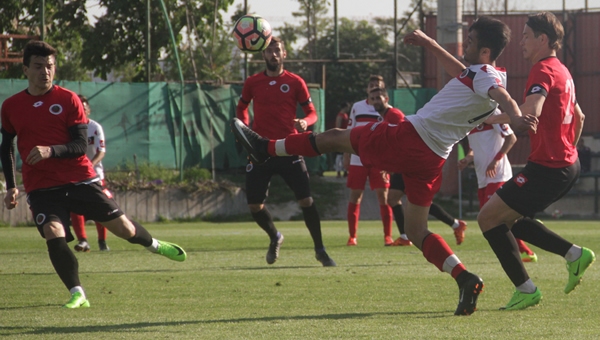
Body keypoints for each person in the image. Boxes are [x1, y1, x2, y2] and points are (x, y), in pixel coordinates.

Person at [232, 16, 531, 315]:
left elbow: (502, 97)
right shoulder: (485, 73)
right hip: (433, 158)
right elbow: (468, 76)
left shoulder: (487, 78)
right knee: (416, 231)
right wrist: (429, 43)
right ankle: (465, 278)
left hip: (410, 138)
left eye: (470, 41)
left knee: (335, 137)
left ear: (485, 52)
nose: (465, 43)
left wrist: (516, 118)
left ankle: (265, 148)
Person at [0, 40, 187, 309]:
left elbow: (79, 146)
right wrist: (11, 186)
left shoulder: (68, 99)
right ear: (25, 69)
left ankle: (155, 245)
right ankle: (78, 292)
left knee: (125, 230)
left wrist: (50, 151)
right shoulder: (11, 106)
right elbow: (6, 146)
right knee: (54, 232)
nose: (45, 72)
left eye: (50, 66)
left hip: (80, 179)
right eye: (38, 66)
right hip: (41, 186)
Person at [477, 12, 594, 311]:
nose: (522, 43)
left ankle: (527, 289)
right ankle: (573, 255)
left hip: (548, 168)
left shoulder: (542, 70)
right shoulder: (562, 70)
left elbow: (532, 111)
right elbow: (579, 116)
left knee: (488, 218)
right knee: (507, 219)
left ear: (543, 39)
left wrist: (514, 121)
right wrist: (568, 145)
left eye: (526, 36)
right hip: (568, 164)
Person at [235, 37, 335, 267]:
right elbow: (242, 107)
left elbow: (312, 113)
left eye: (277, 50)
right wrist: (245, 130)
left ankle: (320, 250)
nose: (273, 54)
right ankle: (275, 237)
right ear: (263, 55)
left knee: (307, 200)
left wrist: (305, 122)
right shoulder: (253, 82)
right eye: (269, 51)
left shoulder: (295, 81)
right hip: (261, 150)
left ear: (284, 53)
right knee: (254, 206)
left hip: (288, 147)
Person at [458, 110, 538, 262]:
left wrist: (496, 160)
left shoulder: (492, 113)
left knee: (495, 218)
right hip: (482, 177)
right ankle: (524, 240)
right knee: (488, 219)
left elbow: (511, 138)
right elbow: (475, 147)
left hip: (498, 175)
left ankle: (524, 251)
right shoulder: (470, 116)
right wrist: (467, 159)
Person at [344, 75, 395, 247]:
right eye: (371, 86)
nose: (374, 88)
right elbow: (349, 130)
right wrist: (346, 155)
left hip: (379, 159)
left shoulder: (388, 109)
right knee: (355, 195)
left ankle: (388, 236)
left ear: (383, 91)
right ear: (367, 90)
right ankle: (352, 236)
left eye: (377, 86)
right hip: (358, 157)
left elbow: (392, 135)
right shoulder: (358, 107)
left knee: (383, 196)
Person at [70, 95, 110, 252]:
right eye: (80, 107)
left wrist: (89, 165)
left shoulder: (95, 127)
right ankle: (83, 241)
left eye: (85, 107)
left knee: (101, 207)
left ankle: (102, 241)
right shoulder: (69, 128)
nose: (83, 110)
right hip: (75, 175)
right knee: (75, 207)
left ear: (88, 110)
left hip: (95, 175)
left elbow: (101, 151)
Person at [387, 174, 468, 246]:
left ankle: (456, 224)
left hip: (411, 167)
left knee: (420, 200)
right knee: (393, 198)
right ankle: (404, 236)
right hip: (403, 168)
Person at [334, 102, 350, 178]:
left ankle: (345, 171)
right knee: (339, 155)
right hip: (341, 136)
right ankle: (338, 171)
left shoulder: (346, 115)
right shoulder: (340, 116)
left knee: (345, 154)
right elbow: (338, 126)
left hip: (345, 136)